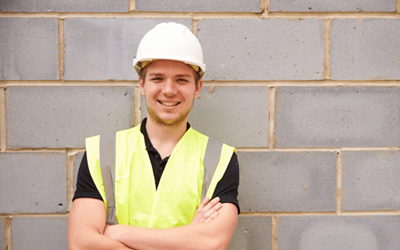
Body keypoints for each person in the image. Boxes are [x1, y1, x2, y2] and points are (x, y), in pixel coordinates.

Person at [68, 22, 240, 250]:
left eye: (181, 79)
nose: (169, 90)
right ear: (142, 84)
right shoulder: (102, 152)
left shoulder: (220, 158)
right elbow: (82, 244)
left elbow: (212, 242)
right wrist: (188, 237)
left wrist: (119, 233)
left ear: (197, 88)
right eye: (158, 78)